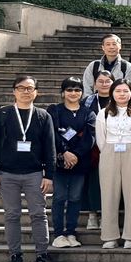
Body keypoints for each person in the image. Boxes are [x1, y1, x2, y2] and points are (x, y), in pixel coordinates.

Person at [0, 75, 58, 262]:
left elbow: (50, 148)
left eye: (30, 88)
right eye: (21, 88)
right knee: (12, 215)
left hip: (35, 174)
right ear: (14, 91)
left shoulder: (43, 116)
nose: (26, 91)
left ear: (36, 92)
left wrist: (49, 175)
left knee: (38, 214)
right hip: (6, 173)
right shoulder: (2, 114)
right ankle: (15, 255)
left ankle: (42, 255)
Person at [94, 80, 131, 249]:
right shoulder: (103, 113)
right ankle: (110, 236)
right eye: (118, 91)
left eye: (125, 91)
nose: (122, 94)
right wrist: (108, 151)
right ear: (112, 93)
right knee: (108, 195)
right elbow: (100, 138)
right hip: (109, 151)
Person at [47, 77, 94, 248]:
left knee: (75, 198)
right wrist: (65, 152)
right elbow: (52, 133)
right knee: (59, 197)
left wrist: (75, 155)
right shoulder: (54, 110)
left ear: (82, 93)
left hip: (79, 163)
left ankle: (71, 232)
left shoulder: (88, 113)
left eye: (77, 90)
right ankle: (59, 234)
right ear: (63, 93)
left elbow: (90, 137)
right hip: (60, 162)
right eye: (69, 90)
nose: (73, 93)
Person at [82, 34, 131, 98]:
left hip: (118, 101)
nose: (111, 47)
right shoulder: (93, 66)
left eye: (114, 44)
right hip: (96, 101)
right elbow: (87, 87)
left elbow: (128, 90)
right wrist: (90, 102)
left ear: (120, 46)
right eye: (108, 44)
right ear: (103, 47)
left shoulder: (128, 67)